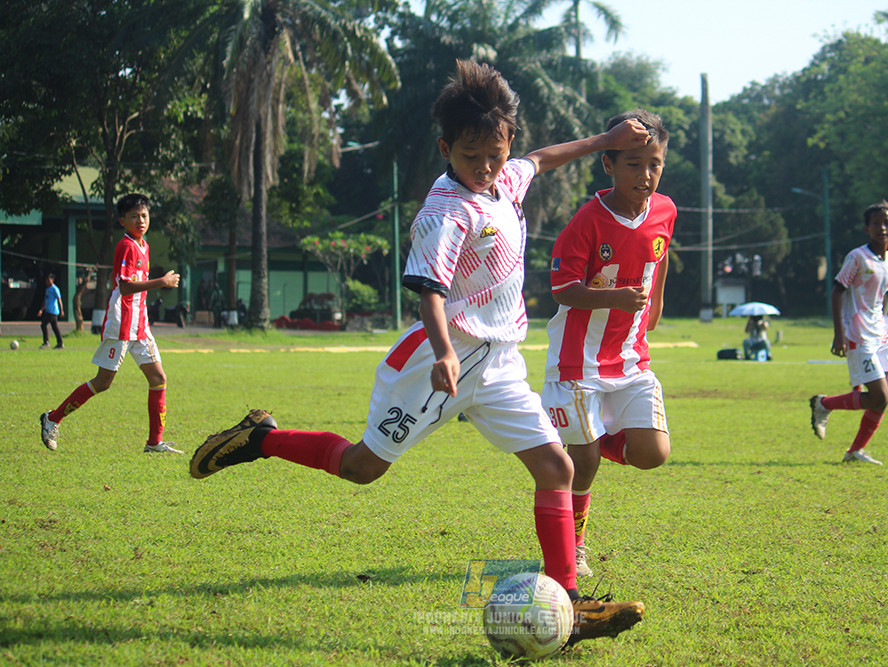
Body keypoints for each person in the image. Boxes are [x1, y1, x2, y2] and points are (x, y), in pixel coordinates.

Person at [189, 60, 648, 645]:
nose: (484, 168)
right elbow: (429, 290)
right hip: (438, 363)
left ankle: (572, 608)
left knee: (555, 467)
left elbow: (544, 158)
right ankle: (260, 438)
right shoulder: (444, 213)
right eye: (470, 156)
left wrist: (606, 141)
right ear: (445, 149)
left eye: (495, 153)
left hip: (501, 362)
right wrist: (443, 353)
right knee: (362, 469)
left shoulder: (505, 179)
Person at [540, 109, 675, 579]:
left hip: (631, 358)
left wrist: (653, 306)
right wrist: (615, 296)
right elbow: (561, 289)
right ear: (609, 166)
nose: (646, 175)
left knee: (653, 454)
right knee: (585, 461)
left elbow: (658, 262)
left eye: (654, 163)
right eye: (634, 164)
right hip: (576, 362)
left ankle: (594, 435)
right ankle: (576, 545)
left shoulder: (665, 210)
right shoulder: (587, 221)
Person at [39, 193, 183, 454]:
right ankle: (52, 418)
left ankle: (154, 443)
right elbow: (125, 287)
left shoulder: (144, 246)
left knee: (158, 377)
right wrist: (161, 282)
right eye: (134, 217)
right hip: (121, 324)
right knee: (103, 382)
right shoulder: (125, 246)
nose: (140, 220)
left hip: (140, 325)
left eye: (144, 215)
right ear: (122, 221)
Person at [810, 200, 888, 465]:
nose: (882, 228)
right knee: (879, 396)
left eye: (887, 223)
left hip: (880, 334)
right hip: (858, 334)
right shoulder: (857, 257)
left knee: (882, 400)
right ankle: (824, 404)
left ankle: (854, 452)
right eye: (876, 223)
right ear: (866, 228)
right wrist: (839, 334)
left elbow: (879, 297)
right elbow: (838, 291)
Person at [37, 273, 64, 349]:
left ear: (52, 280)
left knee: (43, 325)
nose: (47, 282)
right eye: (46, 280)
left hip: (53, 311)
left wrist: (61, 310)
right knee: (55, 327)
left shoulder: (55, 289)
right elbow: (45, 300)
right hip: (48, 311)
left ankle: (46, 342)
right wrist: (41, 310)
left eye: (48, 280)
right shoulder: (47, 289)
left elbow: (59, 300)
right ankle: (60, 343)